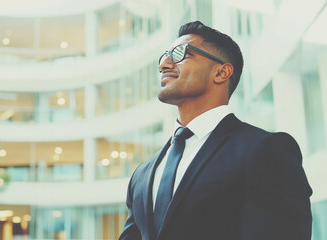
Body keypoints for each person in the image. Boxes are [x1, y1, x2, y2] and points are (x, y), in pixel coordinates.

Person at [119, 21, 312, 240]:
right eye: (164, 57)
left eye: (180, 53)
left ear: (221, 72)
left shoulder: (266, 150)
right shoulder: (142, 174)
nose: (165, 65)